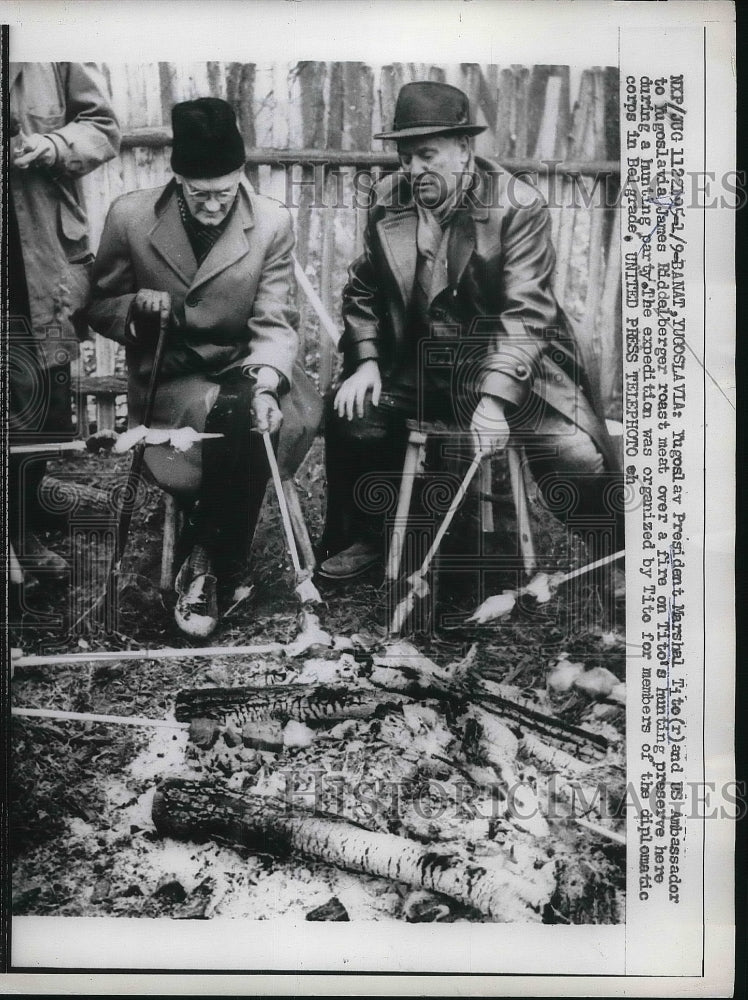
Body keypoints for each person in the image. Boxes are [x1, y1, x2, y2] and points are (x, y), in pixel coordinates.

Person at [318, 81, 622, 590]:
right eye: (405, 157)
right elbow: (362, 289)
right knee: (354, 413)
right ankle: (371, 535)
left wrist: (495, 398)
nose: (414, 169)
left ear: (464, 149)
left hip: (517, 368)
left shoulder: (516, 205)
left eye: (427, 155)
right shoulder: (388, 199)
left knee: (573, 454)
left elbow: (526, 312)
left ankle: (614, 556)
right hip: (421, 365)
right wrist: (366, 360)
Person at [88, 97, 321, 637]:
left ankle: (204, 559)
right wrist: (136, 308)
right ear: (178, 180)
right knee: (224, 413)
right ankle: (223, 564)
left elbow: (274, 318)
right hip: (172, 375)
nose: (214, 206)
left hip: (250, 363)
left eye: (225, 192)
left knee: (253, 411)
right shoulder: (130, 216)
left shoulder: (271, 221)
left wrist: (267, 383)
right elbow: (98, 305)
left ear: (241, 176)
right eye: (200, 195)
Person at [9, 62, 121, 590]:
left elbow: (102, 127)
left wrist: (51, 146)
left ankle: (28, 513)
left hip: (43, 255)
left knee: (45, 399)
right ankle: (16, 535)